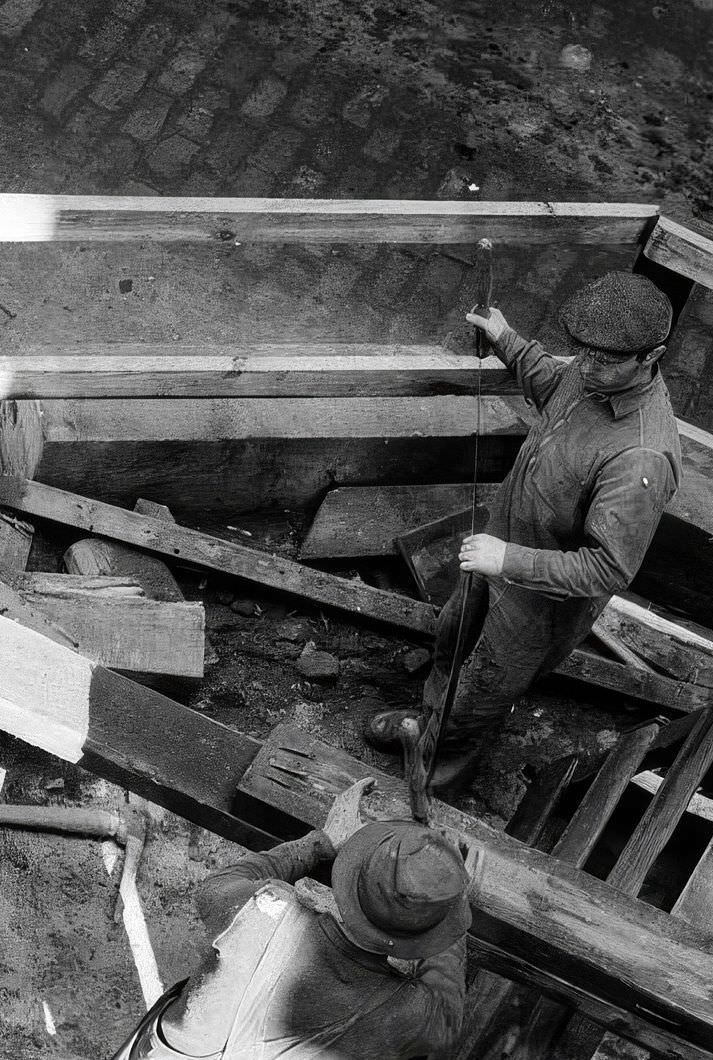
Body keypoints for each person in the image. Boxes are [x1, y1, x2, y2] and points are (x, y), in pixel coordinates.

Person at [367, 271, 682, 793]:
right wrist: (507, 339)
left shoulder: (640, 458)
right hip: (496, 551)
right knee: (453, 637)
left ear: (650, 356)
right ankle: (425, 722)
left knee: (485, 686)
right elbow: (558, 389)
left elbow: (609, 568)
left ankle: (443, 763)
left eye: (601, 361)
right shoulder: (594, 371)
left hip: (538, 601)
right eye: (580, 353)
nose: (584, 367)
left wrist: (507, 560)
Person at [110, 779, 469, 1060]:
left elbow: (214, 890)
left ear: (349, 878)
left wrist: (321, 842)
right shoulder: (407, 1011)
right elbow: (450, 1022)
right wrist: (445, 914)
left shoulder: (264, 910)